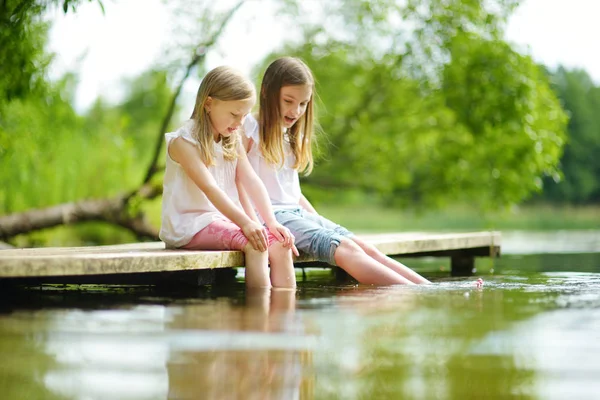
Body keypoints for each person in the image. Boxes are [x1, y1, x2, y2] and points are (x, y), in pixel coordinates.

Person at [240, 57, 430, 285]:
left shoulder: (290, 136)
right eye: (288, 101)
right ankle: (411, 294)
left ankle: (428, 290)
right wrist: (255, 225)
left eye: (303, 104)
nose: (296, 110)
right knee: (346, 248)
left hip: (296, 214)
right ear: (266, 93)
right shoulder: (249, 130)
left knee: (366, 248)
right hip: (272, 217)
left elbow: (291, 192)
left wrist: (317, 219)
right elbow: (238, 182)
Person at [159, 66, 298, 289]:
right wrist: (246, 222)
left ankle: (284, 318)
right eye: (234, 114)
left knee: (280, 245)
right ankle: (258, 315)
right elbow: (210, 188)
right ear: (208, 103)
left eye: (244, 116)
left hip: (225, 220)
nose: (240, 123)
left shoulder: (231, 138)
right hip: (191, 225)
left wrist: (270, 223)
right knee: (256, 245)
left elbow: (252, 180)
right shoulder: (184, 142)